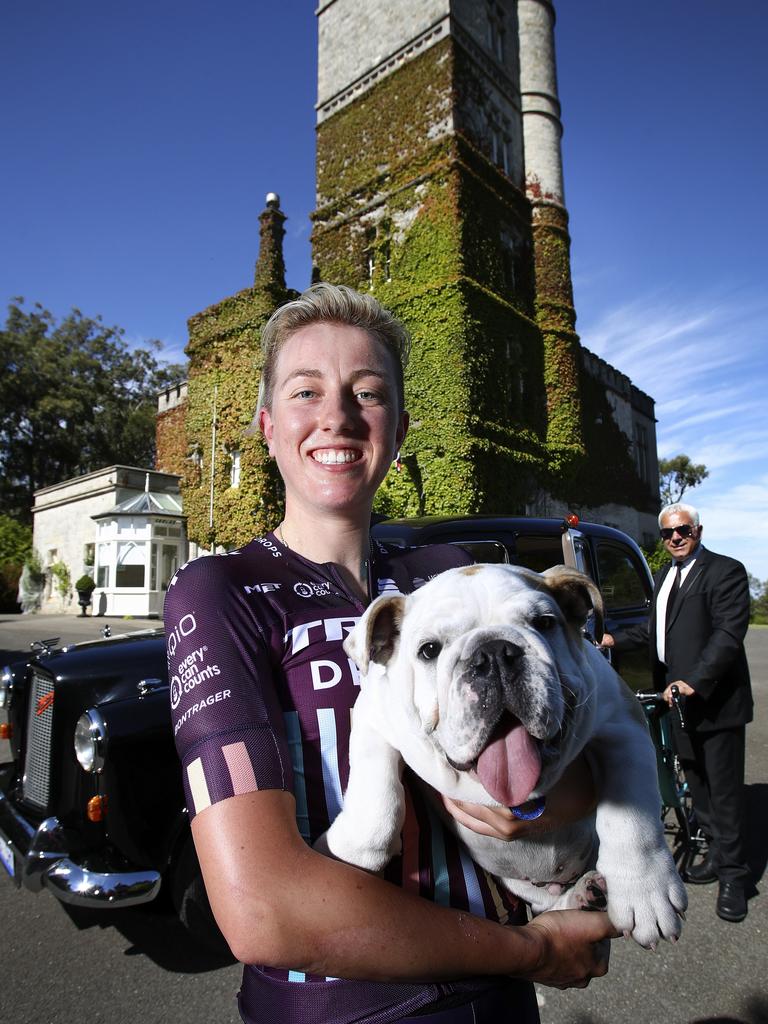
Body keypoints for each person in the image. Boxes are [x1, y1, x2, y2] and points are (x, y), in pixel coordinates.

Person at [165, 283, 617, 1023]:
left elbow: (581, 770)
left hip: (498, 1004)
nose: (337, 417)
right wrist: (537, 951)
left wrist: (534, 807)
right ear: (267, 425)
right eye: (305, 391)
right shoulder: (222, 591)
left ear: (399, 427)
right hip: (346, 1010)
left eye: (366, 393)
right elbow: (261, 911)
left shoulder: (448, 578)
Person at [603, 501, 753, 923]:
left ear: (698, 531)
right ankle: (718, 857)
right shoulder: (665, 576)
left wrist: (695, 680)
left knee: (723, 795)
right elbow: (655, 632)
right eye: (668, 533)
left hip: (714, 704)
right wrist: (614, 640)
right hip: (676, 703)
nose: (675, 539)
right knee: (699, 789)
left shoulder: (726, 571)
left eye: (682, 531)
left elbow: (727, 634)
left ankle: (736, 881)